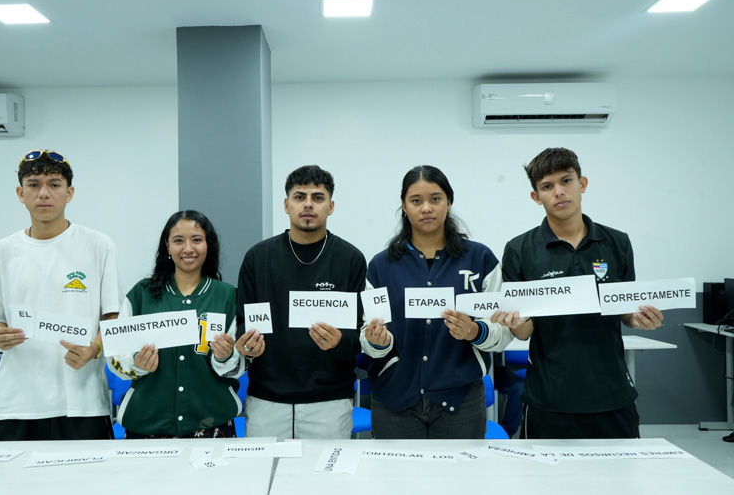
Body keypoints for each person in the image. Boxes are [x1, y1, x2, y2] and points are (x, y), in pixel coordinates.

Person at [492, 147, 664, 439]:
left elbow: (626, 311)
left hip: (612, 394)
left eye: (566, 181)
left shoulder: (617, 242)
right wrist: (511, 321)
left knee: (619, 483)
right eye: (547, 186)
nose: (559, 192)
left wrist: (641, 320)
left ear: (582, 184)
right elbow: (524, 332)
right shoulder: (519, 250)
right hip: (549, 397)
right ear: (536, 197)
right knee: (549, 485)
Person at [0, 150, 120, 441]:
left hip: (83, 400)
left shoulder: (98, 245)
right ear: (20, 193)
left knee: (87, 485)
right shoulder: (4, 249)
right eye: (33, 184)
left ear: (69, 193)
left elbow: (111, 316)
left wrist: (94, 349)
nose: (44, 193)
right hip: (18, 401)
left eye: (54, 184)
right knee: (14, 486)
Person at [360, 165, 513, 439]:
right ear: (404, 207)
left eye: (435, 199)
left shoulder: (480, 259)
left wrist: (476, 331)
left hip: (461, 400)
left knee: (458, 480)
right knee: (394, 480)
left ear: (449, 202)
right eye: (416, 201)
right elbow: (367, 336)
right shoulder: (381, 266)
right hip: (395, 398)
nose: (426, 208)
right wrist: (376, 342)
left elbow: (503, 333)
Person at [236, 165, 366, 441]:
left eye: (318, 197)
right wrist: (245, 345)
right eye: (299, 196)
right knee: (263, 480)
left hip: (329, 403)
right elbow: (242, 323)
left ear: (331, 207)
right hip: (266, 401)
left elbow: (360, 336)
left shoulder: (351, 259)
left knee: (325, 483)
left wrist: (340, 341)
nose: (308, 204)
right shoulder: (258, 258)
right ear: (286, 205)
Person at [107, 210, 243, 438]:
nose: (188, 248)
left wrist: (224, 356)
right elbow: (115, 360)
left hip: (211, 424)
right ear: (167, 246)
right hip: (147, 426)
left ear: (208, 245)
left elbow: (236, 369)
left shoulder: (227, 296)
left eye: (197, 240)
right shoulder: (141, 294)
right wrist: (138, 364)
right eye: (178, 240)